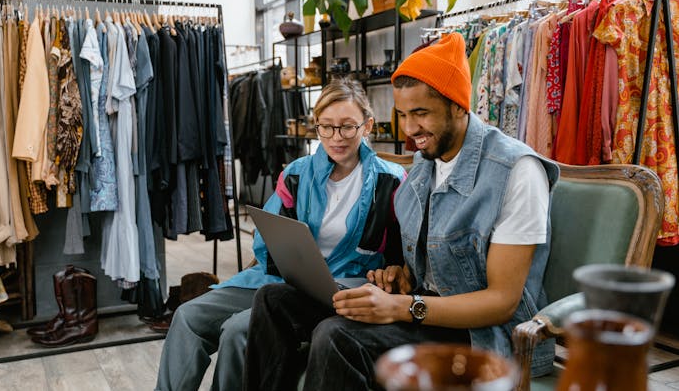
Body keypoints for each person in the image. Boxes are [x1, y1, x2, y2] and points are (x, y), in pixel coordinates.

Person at [243, 33, 560, 391]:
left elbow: (502, 302)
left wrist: (403, 307)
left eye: (421, 113)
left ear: (458, 105)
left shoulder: (515, 171)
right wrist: (400, 276)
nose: (409, 130)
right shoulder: (424, 166)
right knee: (274, 300)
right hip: (423, 312)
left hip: (484, 337)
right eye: (403, 115)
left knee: (336, 336)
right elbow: (429, 265)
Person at [155, 78, 406, 391]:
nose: (335, 137)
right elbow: (270, 238)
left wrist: (389, 272)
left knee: (237, 331)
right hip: (278, 280)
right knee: (187, 317)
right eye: (325, 127)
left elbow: (400, 255)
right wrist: (283, 260)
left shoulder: (391, 182)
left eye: (347, 127)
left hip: (341, 291)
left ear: (367, 126)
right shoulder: (297, 174)